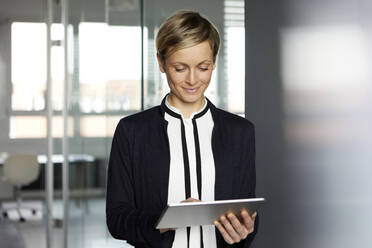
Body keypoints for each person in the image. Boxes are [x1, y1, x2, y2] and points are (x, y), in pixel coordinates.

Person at [106, 10, 258, 248]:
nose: (192, 80)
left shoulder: (240, 132)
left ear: (214, 63)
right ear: (161, 63)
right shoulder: (132, 131)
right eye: (180, 68)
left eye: (203, 67)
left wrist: (245, 229)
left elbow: (245, 214)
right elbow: (117, 220)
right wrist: (168, 218)